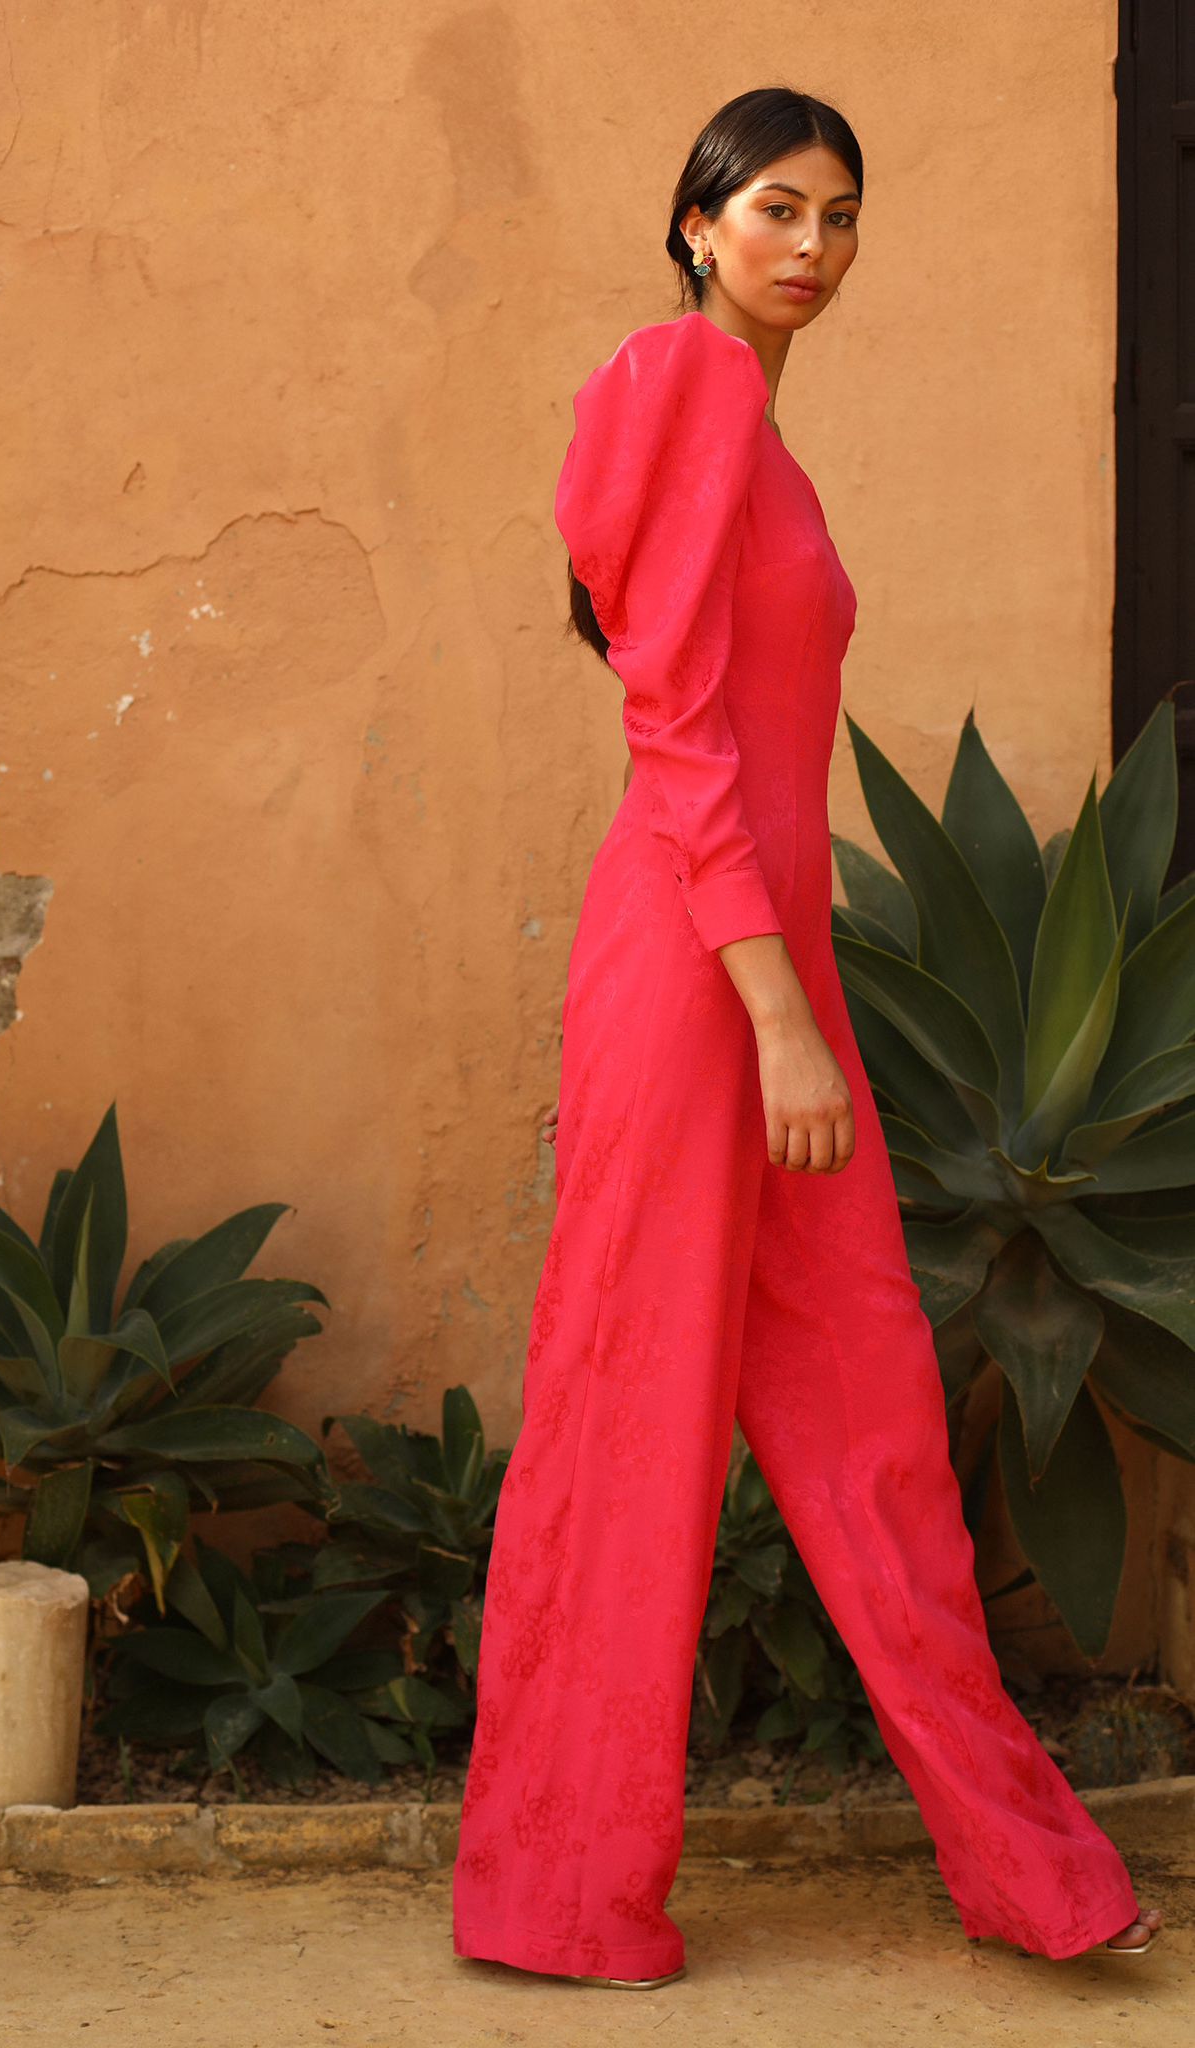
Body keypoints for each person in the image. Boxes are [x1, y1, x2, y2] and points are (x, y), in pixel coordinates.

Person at [451, 86, 1163, 1987]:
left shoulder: (757, 430)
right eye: (774, 208)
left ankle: (1034, 1874)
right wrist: (772, 1017)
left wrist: (793, 1002)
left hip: (773, 972)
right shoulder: (682, 380)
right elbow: (673, 726)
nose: (812, 248)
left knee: (867, 1420)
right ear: (694, 223)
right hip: (703, 977)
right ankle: (559, 1891)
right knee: (632, 1412)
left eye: (840, 217)